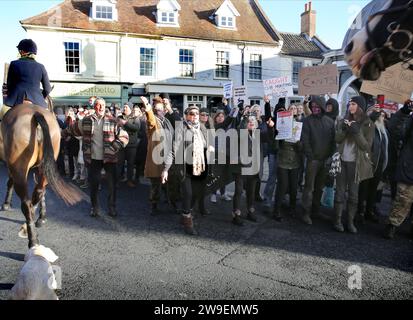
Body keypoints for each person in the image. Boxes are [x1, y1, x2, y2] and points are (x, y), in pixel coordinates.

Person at [64, 97, 129, 218]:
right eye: (98, 105)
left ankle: (112, 207)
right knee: (93, 185)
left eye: (102, 105)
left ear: (105, 107)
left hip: (110, 158)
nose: (100, 107)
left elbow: (124, 137)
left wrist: (114, 147)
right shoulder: (86, 121)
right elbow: (72, 129)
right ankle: (95, 208)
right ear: (94, 107)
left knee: (112, 185)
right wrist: (60, 133)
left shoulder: (113, 120)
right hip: (93, 158)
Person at [164, 106, 211, 235]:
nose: (195, 115)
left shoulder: (202, 128)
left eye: (197, 113)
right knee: (188, 193)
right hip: (185, 167)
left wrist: (209, 148)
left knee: (196, 193)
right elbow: (173, 150)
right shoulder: (181, 128)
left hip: (199, 166)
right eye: (191, 113)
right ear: (186, 115)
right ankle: (187, 220)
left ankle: (186, 212)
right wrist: (166, 169)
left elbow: (206, 144)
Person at [333, 96, 375, 233]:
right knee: (339, 193)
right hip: (341, 162)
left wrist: (356, 131)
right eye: (349, 104)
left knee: (353, 196)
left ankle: (350, 222)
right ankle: (337, 221)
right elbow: (337, 139)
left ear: (360, 107)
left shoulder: (368, 123)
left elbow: (366, 147)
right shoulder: (343, 120)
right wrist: (344, 129)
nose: (350, 106)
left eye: (353, 104)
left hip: (356, 164)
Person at [301, 95, 336, 225]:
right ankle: (306, 212)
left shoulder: (330, 122)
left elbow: (333, 141)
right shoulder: (307, 121)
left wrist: (330, 157)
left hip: (325, 160)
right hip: (313, 160)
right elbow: (305, 140)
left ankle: (315, 211)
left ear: (322, 107)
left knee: (319, 188)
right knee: (309, 188)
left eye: (317, 106)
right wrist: (311, 156)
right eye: (313, 106)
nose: (315, 108)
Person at [384, 100, 413, 239]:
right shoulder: (411, 119)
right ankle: (392, 225)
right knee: (403, 200)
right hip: (409, 168)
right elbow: (395, 129)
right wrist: (404, 112)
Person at [1, 39, 51, 118]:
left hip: (15, 100)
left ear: (23, 52)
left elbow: (10, 86)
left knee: (2, 115)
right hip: (37, 101)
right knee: (50, 118)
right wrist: (40, 97)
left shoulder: (14, 64)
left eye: (20, 50)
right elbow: (48, 89)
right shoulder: (41, 67)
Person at [141, 96, 174, 216]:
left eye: (160, 109)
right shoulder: (153, 122)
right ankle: (153, 206)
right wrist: (148, 108)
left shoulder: (167, 121)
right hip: (156, 159)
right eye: (156, 109)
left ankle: (171, 203)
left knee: (169, 184)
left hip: (168, 157)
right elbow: (150, 120)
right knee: (156, 184)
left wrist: (169, 108)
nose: (158, 111)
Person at [272, 104, 304, 221]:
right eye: (291, 108)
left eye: (295, 108)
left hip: (295, 161)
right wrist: (277, 134)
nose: (293, 110)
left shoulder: (300, 125)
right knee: (282, 186)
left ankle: (292, 209)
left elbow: (302, 146)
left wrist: (299, 144)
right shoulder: (282, 123)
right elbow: (275, 144)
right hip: (283, 160)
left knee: (293, 187)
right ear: (287, 111)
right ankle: (276, 211)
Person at [357, 107, 388, 223]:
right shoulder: (367, 126)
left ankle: (369, 211)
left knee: (373, 190)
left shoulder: (384, 131)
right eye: (379, 115)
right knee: (363, 189)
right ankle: (360, 212)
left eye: (382, 115)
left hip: (379, 165)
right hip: (367, 163)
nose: (380, 117)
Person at [117, 102, 141, 187]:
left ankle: (129, 180)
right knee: (119, 163)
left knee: (131, 164)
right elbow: (115, 128)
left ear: (130, 109)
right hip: (121, 145)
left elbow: (137, 128)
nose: (124, 109)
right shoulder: (119, 117)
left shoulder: (135, 118)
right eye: (124, 107)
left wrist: (125, 123)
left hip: (131, 145)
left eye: (126, 107)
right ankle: (118, 180)